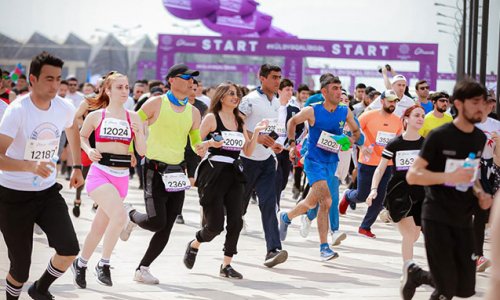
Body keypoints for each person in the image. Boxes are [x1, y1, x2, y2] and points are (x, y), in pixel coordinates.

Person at [0, 51, 84, 300]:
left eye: (58, 79)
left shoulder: (63, 107)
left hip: (47, 192)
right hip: (12, 196)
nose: (55, 85)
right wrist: (29, 166)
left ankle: (41, 288)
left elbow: (72, 130)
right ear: (32, 79)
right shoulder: (18, 111)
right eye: (49, 78)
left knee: (69, 250)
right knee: (20, 269)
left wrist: (77, 167)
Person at [405, 79, 493, 300]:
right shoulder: (440, 136)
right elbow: (413, 175)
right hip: (437, 214)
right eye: (475, 102)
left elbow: (470, 173)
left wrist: (480, 192)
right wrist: (447, 177)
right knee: (447, 286)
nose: (481, 107)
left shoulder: (479, 138)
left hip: (464, 219)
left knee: (464, 288)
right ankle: (425, 279)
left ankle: (417, 275)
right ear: (459, 104)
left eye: (484, 103)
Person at [120, 64, 205, 284]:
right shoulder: (156, 103)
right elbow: (134, 124)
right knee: (157, 222)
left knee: (166, 227)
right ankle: (130, 214)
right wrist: (131, 151)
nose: (191, 82)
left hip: (177, 173)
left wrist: (202, 147)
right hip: (154, 170)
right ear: (172, 80)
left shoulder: (194, 112)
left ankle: (142, 268)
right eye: (186, 78)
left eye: (193, 79)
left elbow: (195, 142)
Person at [183, 82, 267, 279]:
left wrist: (255, 134)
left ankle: (226, 265)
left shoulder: (239, 120)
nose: (235, 96)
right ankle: (195, 243)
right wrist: (210, 143)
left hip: (234, 172)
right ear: (221, 96)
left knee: (236, 221)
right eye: (230, 93)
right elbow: (195, 146)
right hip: (213, 172)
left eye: (237, 93)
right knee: (214, 226)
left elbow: (247, 151)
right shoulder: (212, 117)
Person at [71, 72, 146, 288]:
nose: (125, 91)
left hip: (121, 177)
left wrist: (139, 134)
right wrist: (89, 149)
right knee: (120, 215)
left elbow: (142, 151)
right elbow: (82, 136)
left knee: (99, 227)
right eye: (120, 87)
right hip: (99, 174)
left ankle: (81, 263)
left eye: (126, 87)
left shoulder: (133, 117)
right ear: (108, 90)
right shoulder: (97, 116)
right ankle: (103, 264)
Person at [279, 75, 360, 260]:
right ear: (324, 92)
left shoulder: (344, 111)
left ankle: (286, 217)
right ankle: (324, 248)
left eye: (340, 88)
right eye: (335, 88)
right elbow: (292, 122)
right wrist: (292, 145)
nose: (339, 92)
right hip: (313, 162)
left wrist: (351, 140)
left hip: (332, 162)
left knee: (310, 203)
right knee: (327, 202)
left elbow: (356, 131)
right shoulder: (311, 111)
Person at [366, 105, 431, 271]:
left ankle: (388, 214)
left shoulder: (426, 144)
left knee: (415, 235)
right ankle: (408, 271)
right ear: (406, 119)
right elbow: (380, 169)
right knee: (409, 235)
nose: (420, 118)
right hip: (399, 191)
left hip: (420, 193)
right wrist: (373, 189)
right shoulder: (395, 143)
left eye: (423, 116)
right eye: (417, 115)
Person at [238, 64, 288, 268]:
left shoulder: (277, 103)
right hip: (246, 160)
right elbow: (237, 124)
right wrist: (256, 139)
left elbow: (272, 131)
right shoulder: (249, 101)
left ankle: (273, 249)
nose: (277, 81)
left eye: (279, 77)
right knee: (236, 208)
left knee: (269, 204)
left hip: (267, 162)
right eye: (274, 77)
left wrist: (274, 144)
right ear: (262, 78)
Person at [340, 89, 403, 238]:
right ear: (382, 101)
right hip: (367, 163)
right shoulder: (368, 116)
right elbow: (351, 130)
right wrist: (361, 146)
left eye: (395, 101)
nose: (392, 104)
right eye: (390, 100)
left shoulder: (398, 120)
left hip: (386, 164)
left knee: (379, 198)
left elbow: (399, 140)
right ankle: (348, 196)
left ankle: (365, 227)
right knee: (362, 196)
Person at [176, 79, 208, 225]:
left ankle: (205, 213)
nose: (192, 92)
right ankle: (178, 213)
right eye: (190, 88)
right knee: (179, 181)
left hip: (195, 150)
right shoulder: (177, 105)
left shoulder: (202, 107)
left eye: (195, 89)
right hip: (178, 149)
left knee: (194, 181)